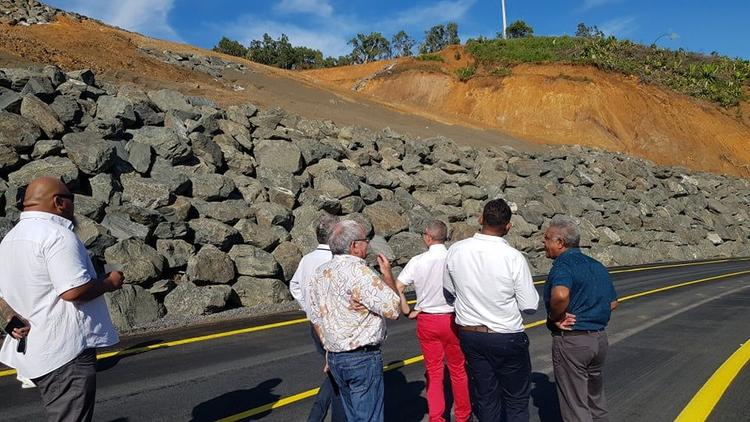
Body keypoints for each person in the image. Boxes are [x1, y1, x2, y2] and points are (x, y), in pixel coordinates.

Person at [0, 177, 124, 422]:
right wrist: (110, 282)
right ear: (58, 202)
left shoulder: (10, 239)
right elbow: (72, 291)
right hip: (65, 352)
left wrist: (7, 317)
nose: (73, 207)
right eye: (71, 200)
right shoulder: (57, 235)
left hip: (34, 349)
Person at [444, 198, 540, 422]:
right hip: (506, 334)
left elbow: (448, 292)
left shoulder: (456, 250)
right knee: (515, 400)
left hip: (471, 334)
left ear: (480, 219)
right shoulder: (514, 257)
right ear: (508, 226)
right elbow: (529, 305)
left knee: (486, 397)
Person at [308, 220, 401, 422]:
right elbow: (394, 308)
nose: (367, 244)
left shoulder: (319, 273)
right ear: (354, 246)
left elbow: (315, 317)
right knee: (368, 417)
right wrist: (387, 274)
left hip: (335, 356)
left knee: (352, 416)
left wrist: (328, 347)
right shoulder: (360, 272)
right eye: (365, 240)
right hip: (362, 357)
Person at [542, 216, 618, 422]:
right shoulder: (597, 266)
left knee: (575, 406)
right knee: (596, 400)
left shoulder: (562, 266)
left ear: (560, 243)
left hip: (573, 341)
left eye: (547, 238)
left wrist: (555, 317)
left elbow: (560, 295)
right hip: (599, 340)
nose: (543, 243)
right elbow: (612, 303)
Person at [396, 220, 471, 422]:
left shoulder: (417, 261)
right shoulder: (454, 259)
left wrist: (408, 310)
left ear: (428, 237)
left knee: (434, 372)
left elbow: (398, 287)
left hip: (428, 320)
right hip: (452, 318)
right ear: (444, 237)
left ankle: (436, 417)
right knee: (458, 370)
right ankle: (464, 415)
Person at [289, 213, 345, 422]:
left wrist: (308, 308)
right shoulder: (335, 259)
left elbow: (294, 286)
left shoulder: (307, 259)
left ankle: (317, 415)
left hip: (314, 325)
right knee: (338, 375)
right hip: (335, 327)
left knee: (334, 372)